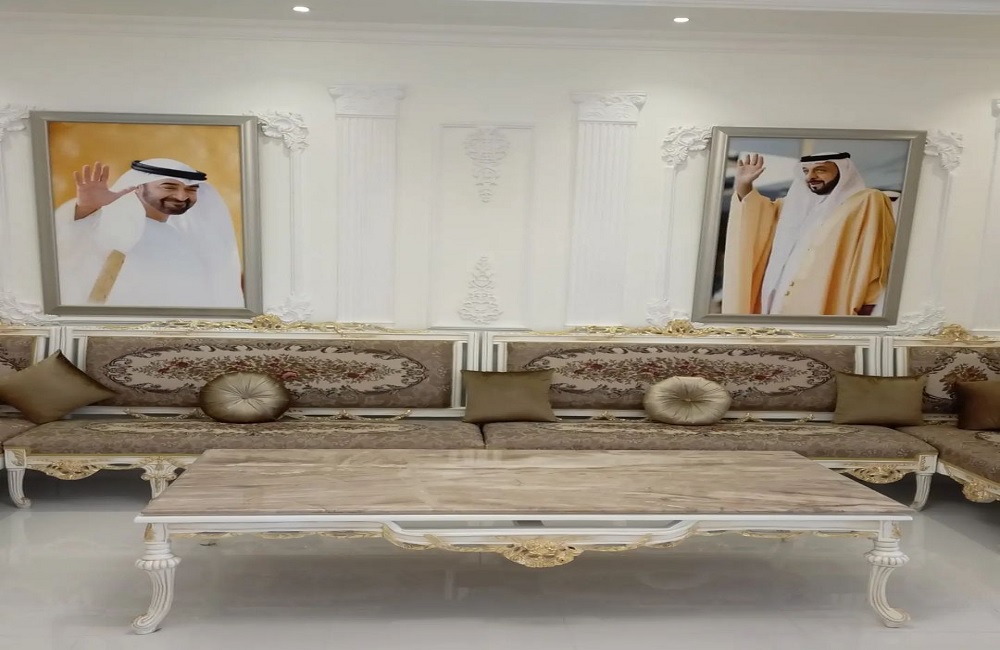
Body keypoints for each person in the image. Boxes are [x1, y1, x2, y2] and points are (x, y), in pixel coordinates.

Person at [720, 151, 896, 316]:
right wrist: (744, 185)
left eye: (820, 170)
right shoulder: (791, 207)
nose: (811, 176)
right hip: (776, 301)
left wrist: (871, 301)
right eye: (806, 171)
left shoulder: (865, 201)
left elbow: (877, 254)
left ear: (843, 172)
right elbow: (756, 216)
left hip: (825, 300)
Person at [54, 158, 244, 308]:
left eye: (191, 190)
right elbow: (68, 242)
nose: (181, 196)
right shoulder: (109, 222)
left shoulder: (182, 240)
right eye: (169, 187)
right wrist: (86, 209)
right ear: (138, 186)